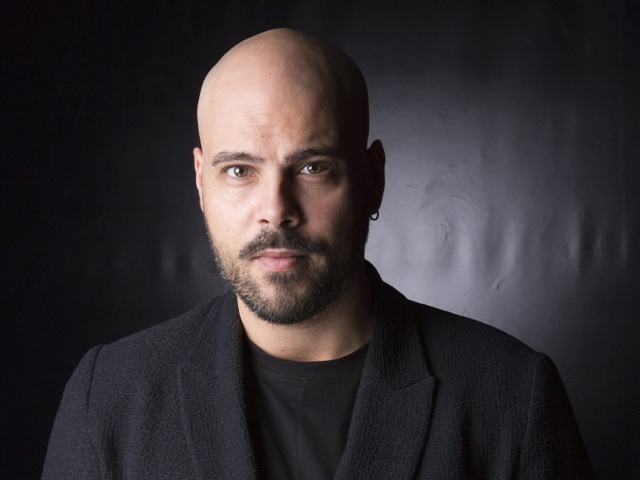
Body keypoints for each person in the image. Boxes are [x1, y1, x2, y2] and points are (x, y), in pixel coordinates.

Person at [42, 28, 595, 479]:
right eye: (239, 170)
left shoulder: (511, 395)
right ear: (201, 183)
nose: (276, 210)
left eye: (313, 167)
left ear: (372, 181)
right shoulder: (109, 397)